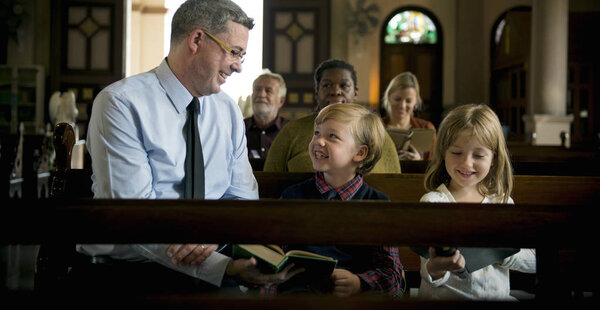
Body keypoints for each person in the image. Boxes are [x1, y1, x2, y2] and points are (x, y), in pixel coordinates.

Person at [79, 0, 301, 294]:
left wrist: (217, 239)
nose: (237, 66)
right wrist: (218, 267)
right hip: (132, 273)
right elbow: (132, 215)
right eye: (234, 52)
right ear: (197, 40)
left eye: (242, 56)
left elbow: (242, 199)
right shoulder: (121, 104)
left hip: (216, 261)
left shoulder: (228, 111)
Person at [271, 103, 405, 297]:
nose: (319, 141)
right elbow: (275, 260)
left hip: (355, 300)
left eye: (332, 136)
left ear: (360, 153)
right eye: (317, 133)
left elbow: (392, 274)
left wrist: (359, 283)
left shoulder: (378, 204)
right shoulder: (292, 196)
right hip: (301, 297)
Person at [418, 104, 536, 300]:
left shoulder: (503, 204)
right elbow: (429, 273)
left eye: (479, 155)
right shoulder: (433, 203)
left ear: (494, 159)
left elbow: (535, 261)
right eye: (457, 153)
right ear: (444, 153)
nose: (466, 163)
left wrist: (504, 253)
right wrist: (437, 268)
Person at [263, 59, 401, 173]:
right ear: (317, 93)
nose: (335, 91)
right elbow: (269, 182)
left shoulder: (377, 134)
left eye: (344, 85)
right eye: (327, 85)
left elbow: (395, 184)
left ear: (355, 93)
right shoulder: (291, 132)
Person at [381, 72, 436, 161]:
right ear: (389, 97)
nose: (402, 105)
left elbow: (434, 166)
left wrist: (418, 162)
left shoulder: (426, 128)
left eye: (408, 101)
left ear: (416, 101)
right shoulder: (376, 128)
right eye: (398, 99)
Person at [244, 70, 289, 166]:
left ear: (281, 101)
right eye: (257, 89)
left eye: (268, 90)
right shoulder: (238, 128)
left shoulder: (291, 131)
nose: (261, 95)